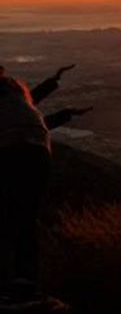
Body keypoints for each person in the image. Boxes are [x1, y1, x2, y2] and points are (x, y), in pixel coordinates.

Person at [0, 65, 91, 298]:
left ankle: (11, 281)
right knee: (25, 217)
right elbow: (31, 122)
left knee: (11, 216)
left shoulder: (12, 94)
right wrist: (62, 104)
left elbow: (16, 130)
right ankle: (25, 280)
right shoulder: (15, 91)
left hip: (13, 152)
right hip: (38, 153)